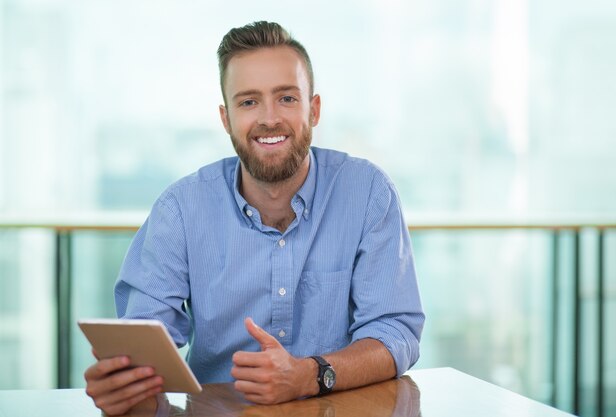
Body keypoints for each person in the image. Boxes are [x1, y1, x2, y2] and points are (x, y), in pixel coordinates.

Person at [84, 21, 425, 416]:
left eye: (286, 98)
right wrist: (124, 383)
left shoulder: (368, 193)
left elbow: (395, 332)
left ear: (313, 109)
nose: (268, 118)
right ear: (226, 118)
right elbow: (144, 340)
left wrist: (308, 375)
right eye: (248, 102)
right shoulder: (181, 209)